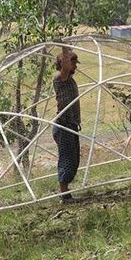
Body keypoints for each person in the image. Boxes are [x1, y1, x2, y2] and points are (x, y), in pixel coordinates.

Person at [53, 49, 81, 203]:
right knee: (67, 159)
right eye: (73, 63)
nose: (75, 66)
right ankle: (64, 195)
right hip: (63, 126)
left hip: (71, 125)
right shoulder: (60, 79)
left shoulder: (70, 80)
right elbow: (65, 66)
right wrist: (64, 48)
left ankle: (66, 193)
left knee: (74, 159)